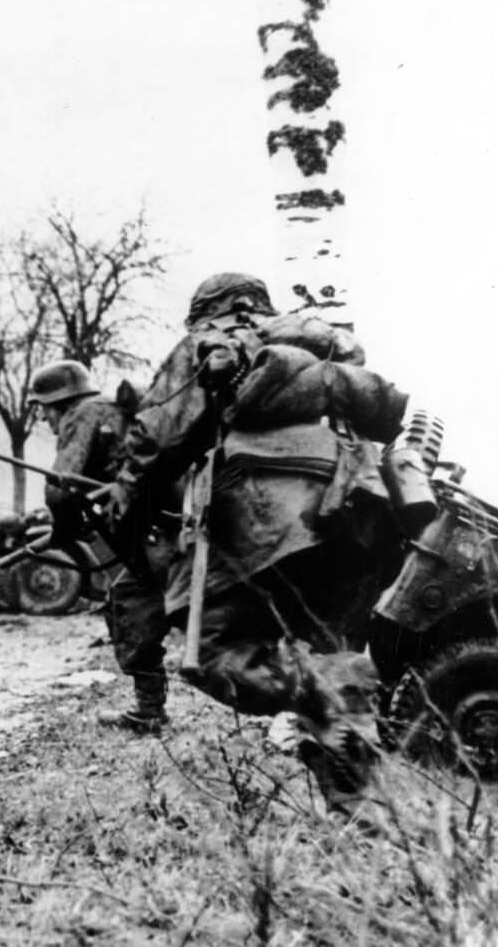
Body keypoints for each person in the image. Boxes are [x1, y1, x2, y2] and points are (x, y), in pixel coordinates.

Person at [105, 273, 409, 809]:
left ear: (206, 311)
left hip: (273, 520)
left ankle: (324, 695)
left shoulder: (211, 342)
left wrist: (126, 502)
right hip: (360, 512)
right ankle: (360, 814)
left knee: (212, 652)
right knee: (331, 652)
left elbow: (158, 436)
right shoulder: (316, 346)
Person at [29, 361, 175, 734]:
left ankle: (150, 711)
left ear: (55, 404)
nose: (46, 420)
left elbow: (59, 488)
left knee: (128, 601)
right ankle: (150, 707)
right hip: (163, 520)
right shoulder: (113, 410)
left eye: (44, 410)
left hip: (152, 528)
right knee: (130, 597)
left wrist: (63, 530)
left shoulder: (80, 415)